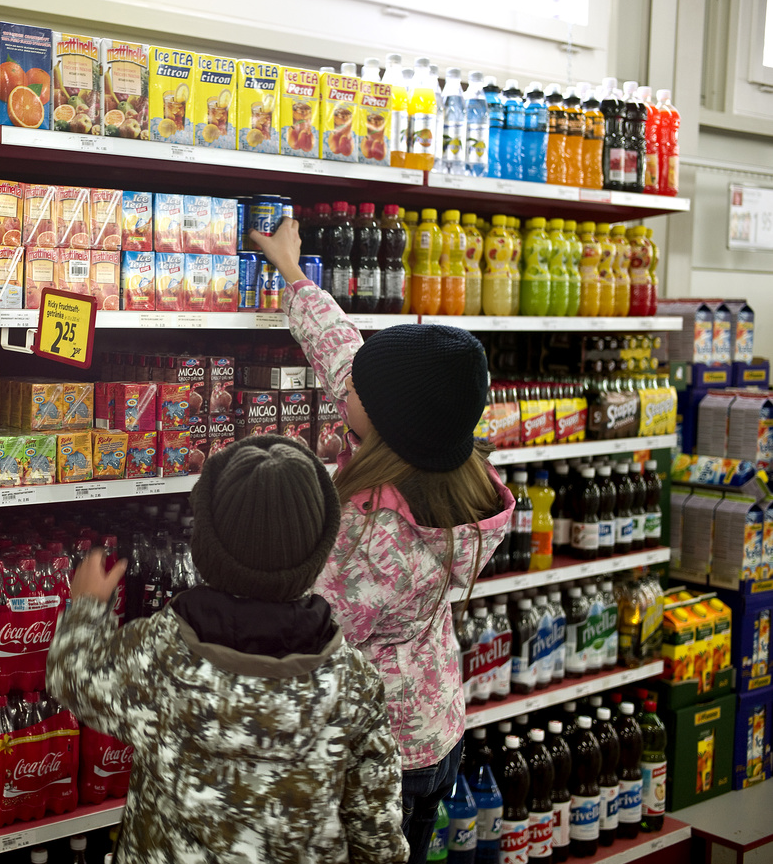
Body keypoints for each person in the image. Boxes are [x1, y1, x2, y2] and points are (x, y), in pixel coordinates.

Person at [251, 219, 515, 864]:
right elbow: (348, 357)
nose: (347, 387)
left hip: (375, 755)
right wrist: (293, 274)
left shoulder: (379, 539)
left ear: (388, 421)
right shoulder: (456, 474)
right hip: (437, 727)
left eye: (359, 392)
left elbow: (309, 630)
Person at [47, 434, 409, 864]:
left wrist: (87, 609)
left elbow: (73, 677)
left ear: (203, 548)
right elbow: (376, 829)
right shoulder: (353, 682)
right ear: (320, 549)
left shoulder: (160, 655)